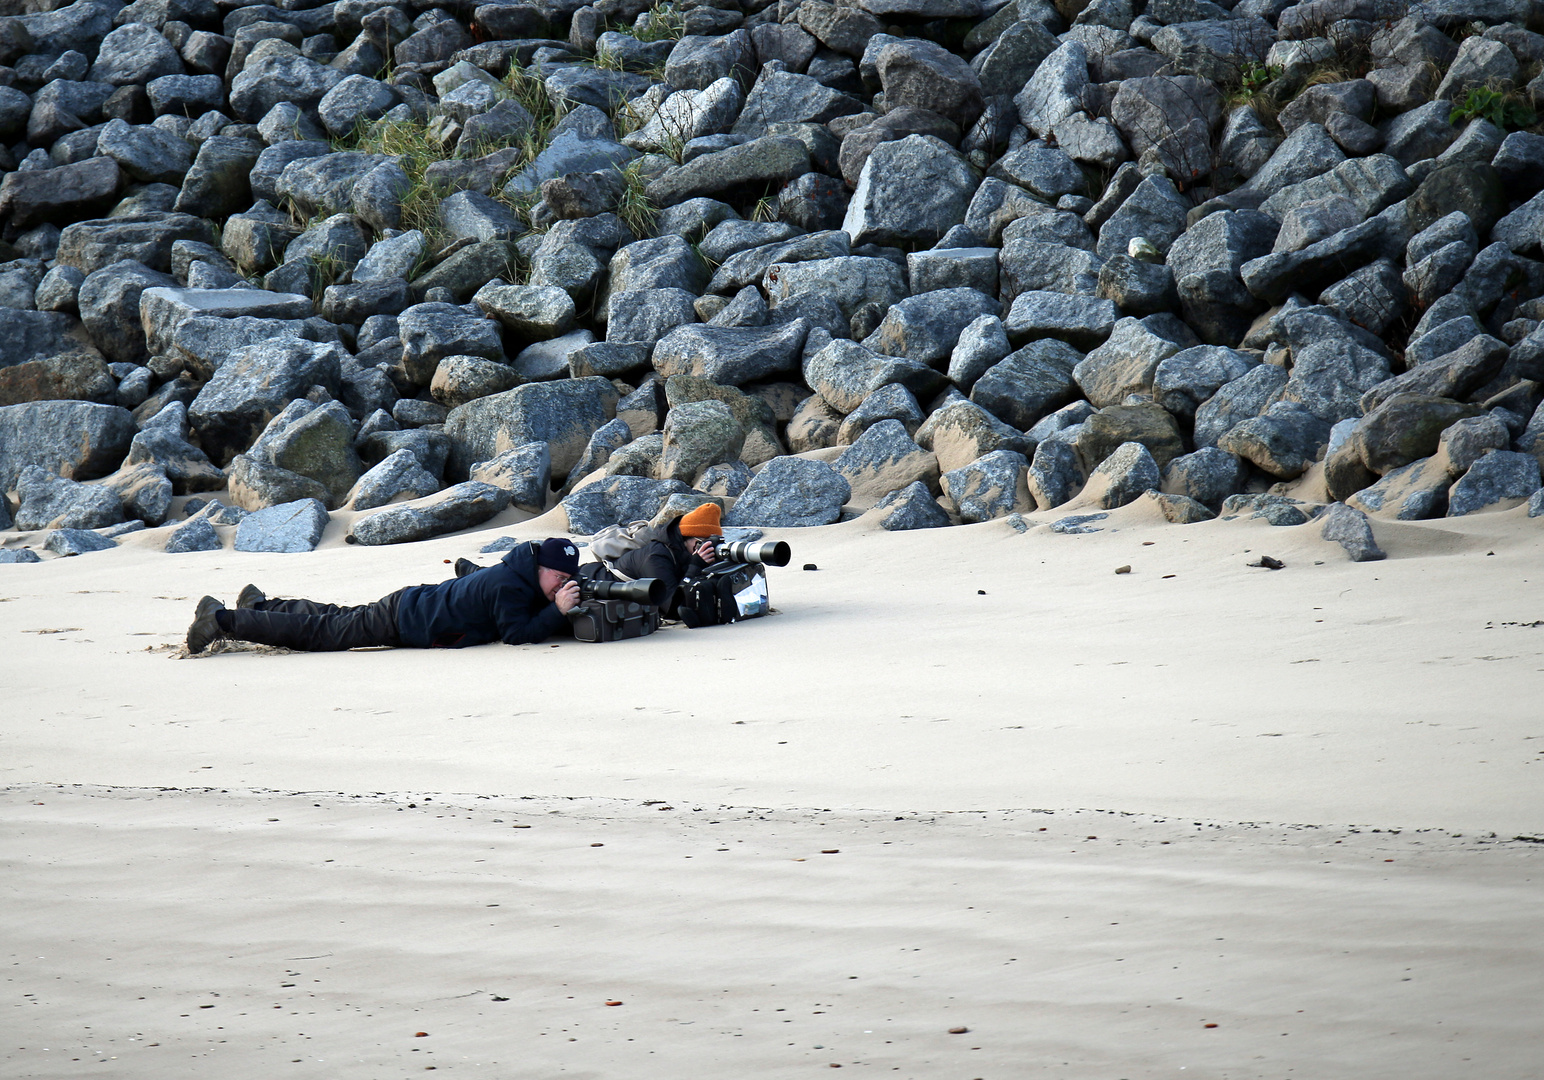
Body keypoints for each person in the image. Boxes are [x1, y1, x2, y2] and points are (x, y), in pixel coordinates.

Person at [185, 537, 583, 654]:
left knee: (335, 618)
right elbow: (515, 633)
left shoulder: (516, 575)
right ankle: (221, 621)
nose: (561, 584)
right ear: (539, 568)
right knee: (320, 635)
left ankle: (260, 605)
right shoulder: (511, 586)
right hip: (407, 620)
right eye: (558, 577)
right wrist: (558, 611)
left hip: (412, 606)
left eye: (569, 578)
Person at [583, 502, 722, 620]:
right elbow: (671, 609)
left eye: (711, 543)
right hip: (590, 580)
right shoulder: (657, 556)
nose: (707, 548)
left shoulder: (685, 554)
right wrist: (696, 566)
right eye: (701, 543)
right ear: (683, 538)